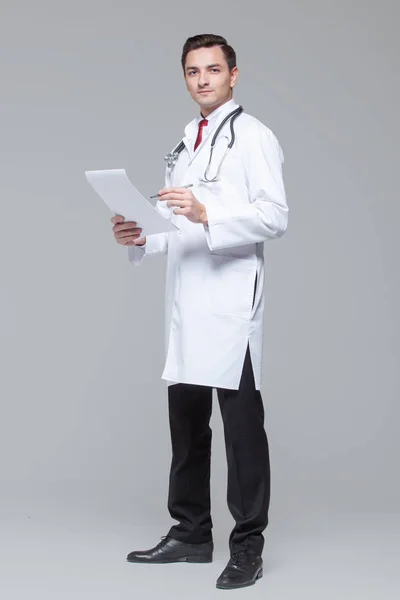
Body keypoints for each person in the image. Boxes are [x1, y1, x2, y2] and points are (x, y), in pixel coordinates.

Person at [111, 33, 288, 590]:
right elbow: (175, 229)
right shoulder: (186, 141)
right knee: (186, 426)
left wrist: (208, 211)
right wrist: (138, 234)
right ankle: (189, 532)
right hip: (188, 305)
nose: (203, 79)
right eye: (193, 71)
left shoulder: (254, 137)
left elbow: (275, 217)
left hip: (231, 306)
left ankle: (248, 544)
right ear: (185, 78)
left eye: (213, 69)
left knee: (241, 431)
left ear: (234, 74)